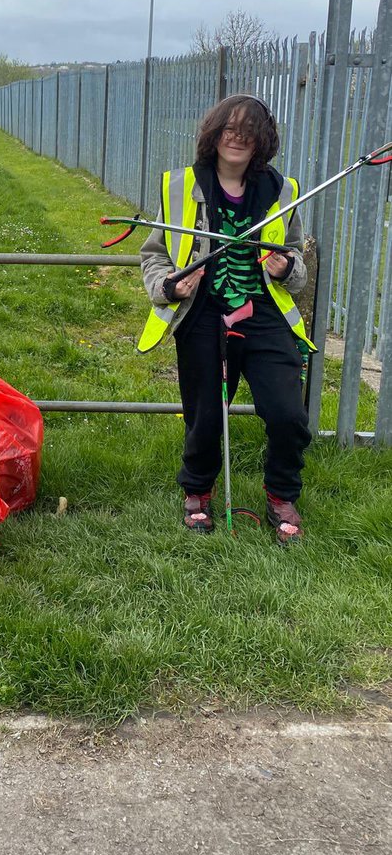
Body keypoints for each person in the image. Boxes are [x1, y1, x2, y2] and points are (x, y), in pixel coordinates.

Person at [138, 94, 314, 546]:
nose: (237, 138)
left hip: (265, 318)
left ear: (262, 141)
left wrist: (287, 268)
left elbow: (296, 261)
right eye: (229, 128)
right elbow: (155, 255)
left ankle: (281, 495)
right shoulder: (180, 187)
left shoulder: (283, 191)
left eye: (248, 131)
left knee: (288, 413)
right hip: (204, 315)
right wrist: (171, 287)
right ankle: (197, 491)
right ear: (214, 135)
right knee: (205, 417)